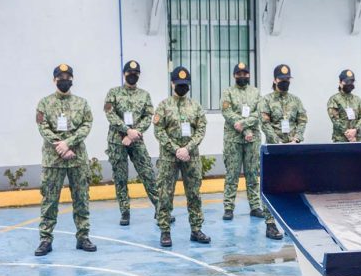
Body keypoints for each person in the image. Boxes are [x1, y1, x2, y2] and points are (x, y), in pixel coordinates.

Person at [34, 64, 96, 256]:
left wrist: (68, 143)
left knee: (81, 199)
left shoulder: (82, 103)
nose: (64, 80)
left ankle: (83, 237)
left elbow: (87, 125)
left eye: (67, 77)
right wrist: (60, 147)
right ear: (54, 80)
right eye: (60, 77)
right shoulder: (44, 103)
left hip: (77, 158)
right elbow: (43, 127)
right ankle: (45, 239)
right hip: (53, 160)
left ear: (72, 79)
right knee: (50, 201)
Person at [153, 66, 210, 247]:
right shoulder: (163, 106)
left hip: (191, 157)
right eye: (179, 84)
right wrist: (176, 149)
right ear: (172, 84)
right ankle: (165, 231)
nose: (182, 87)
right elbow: (158, 130)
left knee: (194, 193)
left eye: (185, 85)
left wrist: (188, 148)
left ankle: (196, 229)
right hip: (169, 157)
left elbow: (201, 129)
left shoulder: (196, 106)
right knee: (165, 194)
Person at [104, 60, 160, 226]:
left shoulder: (144, 95)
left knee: (148, 173)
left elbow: (148, 116)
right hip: (117, 141)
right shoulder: (113, 93)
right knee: (120, 177)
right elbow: (110, 114)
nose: (132, 76)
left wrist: (135, 133)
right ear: (124, 74)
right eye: (130, 73)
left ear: (139, 75)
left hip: (136, 139)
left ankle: (160, 208)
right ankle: (125, 211)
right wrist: (126, 130)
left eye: (136, 74)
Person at [259, 64, 309, 239]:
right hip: (274, 149)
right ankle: (270, 224)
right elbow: (265, 124)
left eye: (287, 80)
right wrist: (277, 142)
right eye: (282, 80)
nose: (285, 82)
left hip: (293, 149)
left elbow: (302, 120)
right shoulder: (266, 100)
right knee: (271, 186)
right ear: (274, 80)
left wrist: (297, 139)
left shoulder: (295, 100)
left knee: (293, 185)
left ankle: (291, 224)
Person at [220, 62, 265, 224]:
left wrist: (245, 126)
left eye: (245, 74)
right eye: (239, 74)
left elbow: (259, 112)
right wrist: (244, 129)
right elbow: (227, 112)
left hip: (252, 139)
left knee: (253, 173)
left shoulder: (256, 93)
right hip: (234, 140)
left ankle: (255, 206)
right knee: (232, 174)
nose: (242, 76)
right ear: (234, 76)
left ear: (249, 75)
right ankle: (228, 207)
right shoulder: (228, 92)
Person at [326, 69, 361, 142]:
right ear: (340, 82)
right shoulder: (334, 99)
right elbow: (335, 119)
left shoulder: (357, 99)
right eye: (347, 81)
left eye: (351, 81)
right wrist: (349, 135)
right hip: (340, 140)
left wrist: (355, 130)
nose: (349, 83)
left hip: (356, 140)